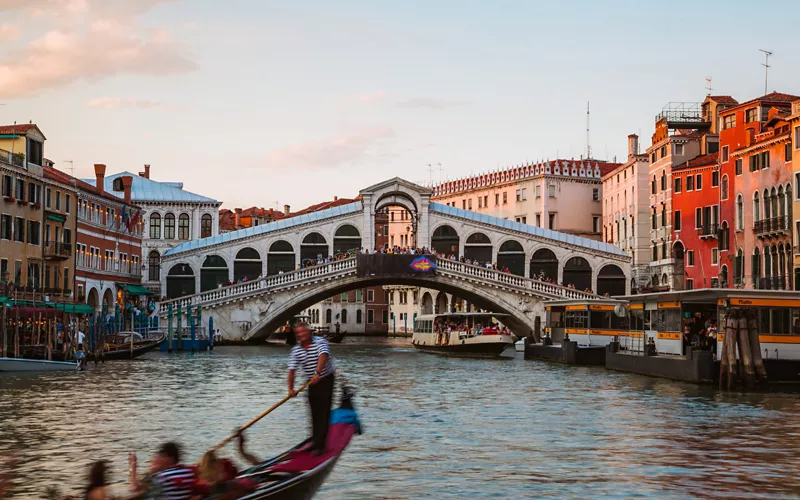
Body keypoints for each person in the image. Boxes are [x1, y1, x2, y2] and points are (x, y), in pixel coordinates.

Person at [287, 322, 335, 456]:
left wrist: (317, 373)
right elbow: (291, 370)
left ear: (309, 332)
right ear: (297, 335)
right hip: (311, 381)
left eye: (304, 332)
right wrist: (291, 389)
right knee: (313, 411)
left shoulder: (320, 342)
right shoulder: (296, 350)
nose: (302, 334)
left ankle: (320, 446)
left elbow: (323, 356)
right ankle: (315, 440)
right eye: (299, 333)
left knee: (323, 411)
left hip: (325, 378)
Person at [129, 441, 197, 499]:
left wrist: (133, 466)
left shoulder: (160, 477)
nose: (156, 459)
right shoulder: (189, 472)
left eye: (160, 456)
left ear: (167, 457)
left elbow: (135, 489)